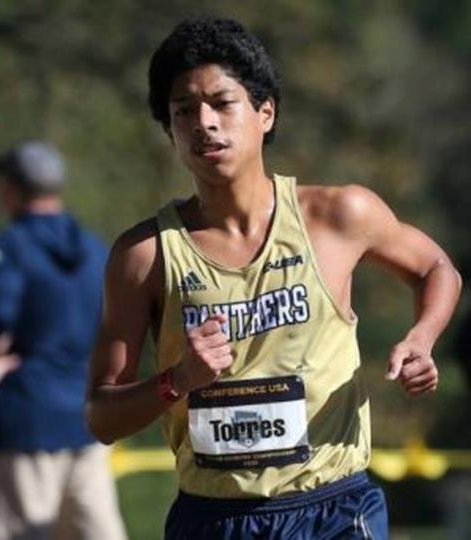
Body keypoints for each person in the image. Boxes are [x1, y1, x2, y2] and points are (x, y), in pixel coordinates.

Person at [86, 17, 461, 540]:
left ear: (266, 112)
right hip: (214, 518)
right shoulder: (144, 255)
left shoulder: (338, 216)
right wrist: (179, 380)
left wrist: (422, 339)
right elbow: (102, 418)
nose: (204, 122)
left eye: (222, 103)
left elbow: (436, 267)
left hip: (334, 508)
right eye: (183, 111)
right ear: (169, 130)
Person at [0, 141, 126, 540]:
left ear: (10, 190)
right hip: (85, 418)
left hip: (25, 420)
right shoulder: (95, 249)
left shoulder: (10, 247)